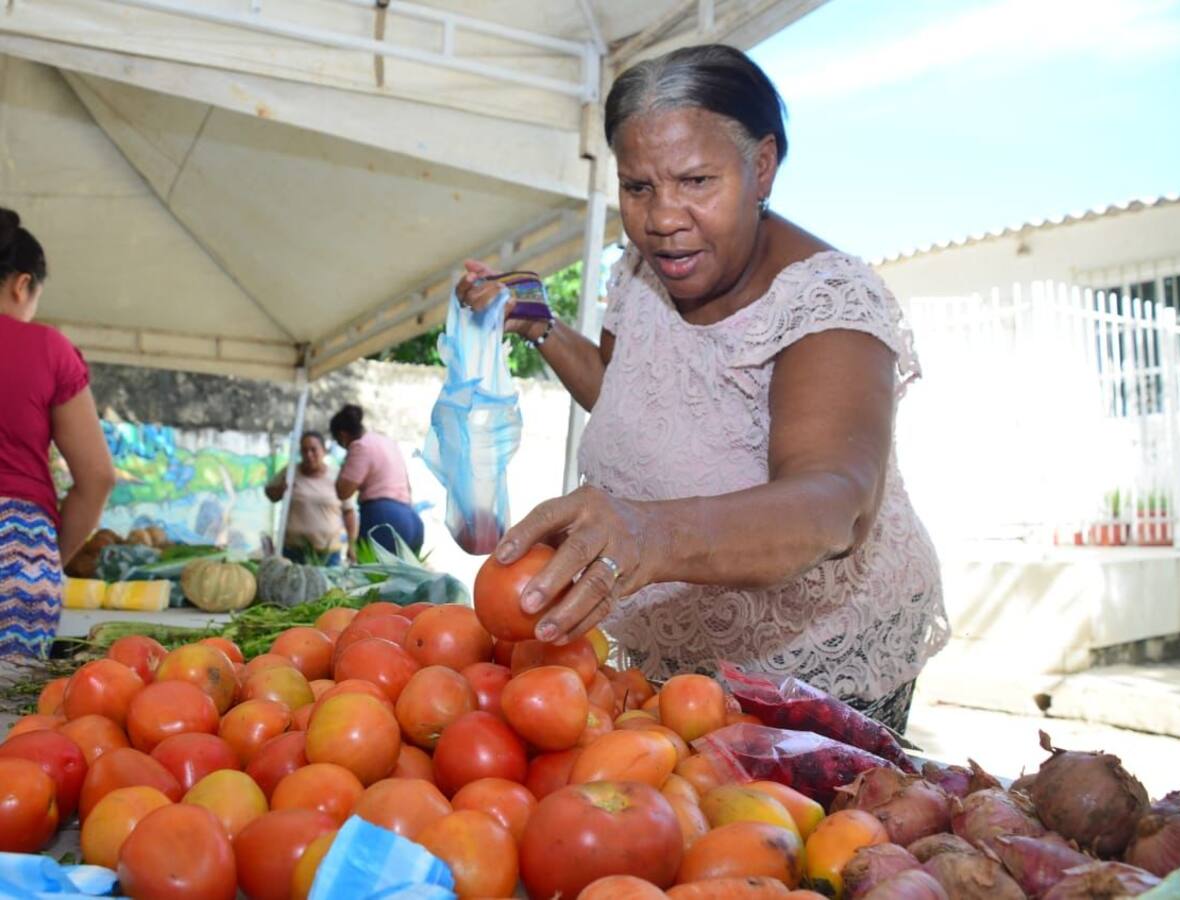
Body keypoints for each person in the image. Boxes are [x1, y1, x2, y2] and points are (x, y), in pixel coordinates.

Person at [456, 45, 946, 732]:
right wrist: (541, 324)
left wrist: (648, 532)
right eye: (638, 188)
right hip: (681, 644)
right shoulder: (642, 272)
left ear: (762, 167)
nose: (663, 218)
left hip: (811, 660)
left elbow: (835, 504)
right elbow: (626, 394)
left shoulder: (826, 300)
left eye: (695, 181)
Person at [0, 209, 115, 658]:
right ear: (22, 285)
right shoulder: (48, 348)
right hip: (18, 547)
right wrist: (47, 555)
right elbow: (97, 477)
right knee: (10, 694)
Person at [330, 405, 424, 556]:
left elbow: (343, 491)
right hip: (412, 518)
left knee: (374, 570)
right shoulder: (386, 442)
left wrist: (345, 463)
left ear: (343, 435)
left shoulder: (360, 446)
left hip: (383, 518)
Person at [265, 431, 357, 565]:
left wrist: (352, 545)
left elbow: (349, 512)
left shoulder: (336, 476)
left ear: (324, 451)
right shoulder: (290, 472)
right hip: (293, 551)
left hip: (328, 554)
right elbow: (270, 494)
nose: (309, 455)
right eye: (304, 450)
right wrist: (280, 489)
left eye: (313, 450)